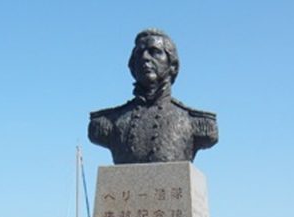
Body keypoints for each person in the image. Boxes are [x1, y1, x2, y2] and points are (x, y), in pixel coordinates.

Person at [88, 29, 218, 164]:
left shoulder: (196, 123)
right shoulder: (107, 122)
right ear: (132, 66)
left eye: (154, 52)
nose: (145, 57)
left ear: (173, 66)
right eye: (139, 53)